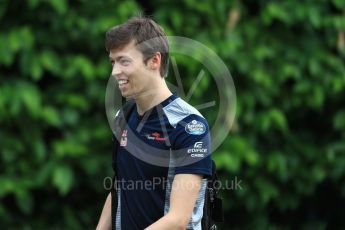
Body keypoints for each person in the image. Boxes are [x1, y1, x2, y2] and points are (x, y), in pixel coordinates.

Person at [97, 16, 212, 230]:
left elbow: (178, 220)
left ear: (154, 61)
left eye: (124, 61)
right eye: (113, 62)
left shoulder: (190, 125)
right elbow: (119, 187)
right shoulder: (122, 118)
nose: (114, 72)